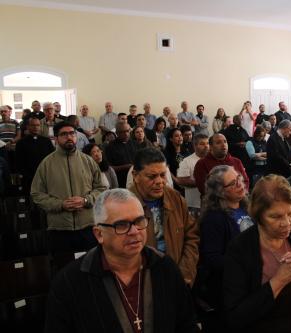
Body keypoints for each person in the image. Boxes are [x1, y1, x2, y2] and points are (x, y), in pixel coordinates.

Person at [44, 189, 199, 333]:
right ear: (99, 234)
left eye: (139, 221)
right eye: (122, 225)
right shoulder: (69, 283)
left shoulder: (165, 268)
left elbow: (187, 324)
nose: (134, 231)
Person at [223, 175, 291, 333]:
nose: (287, 223)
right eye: (275, 216)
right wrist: (279, 280)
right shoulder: (240, 249)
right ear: (258, 215)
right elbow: (236, 316)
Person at [31, 121, 106, 254]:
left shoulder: (88, 161)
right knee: (64, 270)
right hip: (59, 229)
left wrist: (86, 200)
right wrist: (60, 205)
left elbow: (102, 188)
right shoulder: (46, 164)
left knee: (91, 268)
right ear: (56, 138)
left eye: (72, 133)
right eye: (64, 134)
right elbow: (37, 194)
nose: (69, 137)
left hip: (88, 226)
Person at [128, 148, 199, 286]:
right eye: (152, 177)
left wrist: (184, 274)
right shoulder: (124, 205)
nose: (160, 182)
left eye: (163, 175)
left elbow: (192, 237)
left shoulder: (175, 198)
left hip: (177, 279)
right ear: (135, 175)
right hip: (142, 285)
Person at [196, 165, 252, 331]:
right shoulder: (213, 219)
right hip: (231, 291)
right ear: (220, 191)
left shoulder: (248, 208)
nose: (240, 184)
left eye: (239, 179)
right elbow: (212, 258)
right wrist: (244, 264)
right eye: (233, 183)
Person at [15, 115, 54, 194]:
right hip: (28, 177)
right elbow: (19, 161)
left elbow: (52, 158)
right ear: (28, 127)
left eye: (37, 125)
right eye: (33, 125)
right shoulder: (21, 143)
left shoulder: (46, 141)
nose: (35, 127)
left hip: (45, 175)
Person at [177, 134, 209, 217]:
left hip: (212, 205)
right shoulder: (187, 161)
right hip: (194, 205)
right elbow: (181, 180)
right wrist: (205, 183)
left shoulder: (214, 159)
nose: (206, 146)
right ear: (195, 146)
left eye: (207, 143)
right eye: (202, 144)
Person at [105, 121, 137, 188]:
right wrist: (126, 167)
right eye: (123, 132)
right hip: (120, 181)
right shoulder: (110, 147)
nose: (126, 134)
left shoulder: (134, 143)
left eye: (127, 131)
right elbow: (109, 168)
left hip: (135, 179)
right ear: (117, 133)